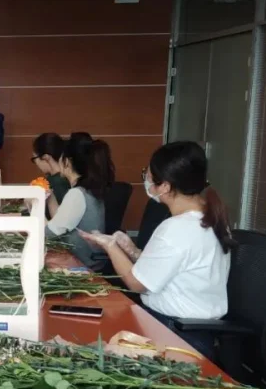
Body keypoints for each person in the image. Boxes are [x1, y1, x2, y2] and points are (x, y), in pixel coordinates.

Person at [80, 141, 233, 360]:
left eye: (149, 175)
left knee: (88, 341)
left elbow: (136, 284)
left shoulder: (176, 228)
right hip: (191, 329)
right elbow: (169, 267)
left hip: (175, 334)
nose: (147, 180)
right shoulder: (209, 217)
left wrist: (110, 246)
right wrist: (132, 250)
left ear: (165, 186)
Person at [43, 136, 114, 271]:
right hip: (89, 260)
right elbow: (62, 221)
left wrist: (33, 207)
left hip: (82, 265)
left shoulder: (77, 194)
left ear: (67, 162)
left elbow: (50, 233)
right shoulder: (88, 189)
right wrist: (50, 197)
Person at [31, 132, 71, 205]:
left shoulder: (55, 183)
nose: (36, 163)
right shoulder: (70, 177)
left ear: (46, 157)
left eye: (34, 159)